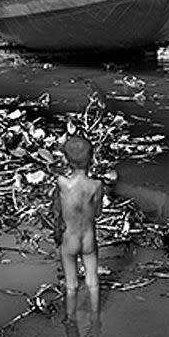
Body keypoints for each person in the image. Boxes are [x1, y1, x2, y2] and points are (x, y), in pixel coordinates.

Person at [52, 133, 103, 313]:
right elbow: (97, 212)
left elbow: (56, 208)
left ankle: (70, 321)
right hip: (88, 238)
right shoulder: (96, 185)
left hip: (69, 240)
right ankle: (95, 318)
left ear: (66, 160)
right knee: (93, 281)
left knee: (71, 285)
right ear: (92, 158)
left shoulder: (62, 183)